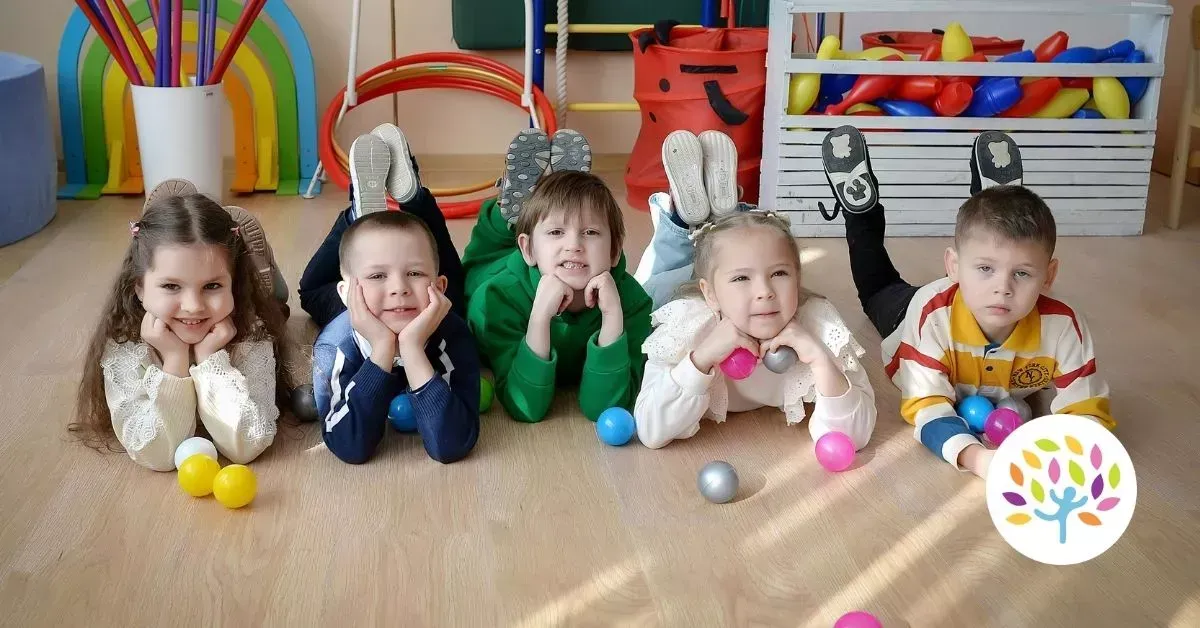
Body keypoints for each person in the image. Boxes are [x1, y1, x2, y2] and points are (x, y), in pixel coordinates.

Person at [819, 125, 1113, 478]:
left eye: (1022, 274)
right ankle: (860, 212)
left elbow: (1086, 410)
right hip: (915, 314)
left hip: (961, 300)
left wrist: (1075, 458)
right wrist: (977, 458)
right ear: (953, 266)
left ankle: (995, 205)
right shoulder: (929, 318)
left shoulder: (1064, 328)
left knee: (991, 242)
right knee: (877, 285)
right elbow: (927, 407)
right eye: (987, 268)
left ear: (1048, 276)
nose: (1002, 289)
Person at [633, 129, 877, 450]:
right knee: (654, 289)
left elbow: (854, 435)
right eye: (741, 279)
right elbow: (651, 430)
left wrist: (819, 358)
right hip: (690, 298)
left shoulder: (819, 325)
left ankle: (726, 216)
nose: (764, 291)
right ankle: (679, 221)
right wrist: (701, 358)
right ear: (711, 295)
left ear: (798, 277)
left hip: (723, 286)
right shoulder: (689, 325)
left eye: (778, 273)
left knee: (733, 250)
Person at [72, 185, 291, 471]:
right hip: (207, 298)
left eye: (212, 285)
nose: (193, 305)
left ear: (234, 286)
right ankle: (212, 248)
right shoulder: (126, 344)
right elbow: (156, 455)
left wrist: (213, 362)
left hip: (250, 300)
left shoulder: (251, 333)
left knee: (278, 306)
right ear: (138, 288)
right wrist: (175, 363)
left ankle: (262, 270)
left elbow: (247, 446)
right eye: (171, 286)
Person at [462, 128, 653, 423]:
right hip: (499, 272)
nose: (574, 245)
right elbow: (525, 407)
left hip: (539, 255)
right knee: (472, 269)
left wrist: (613, 317)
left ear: (614, 251)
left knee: (548, 221)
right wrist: (539, 317)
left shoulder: (634, 303)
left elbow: (605, 408)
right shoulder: (498, 299)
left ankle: (551, 201)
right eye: (557, 232)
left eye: (590, 232)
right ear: (528, 251)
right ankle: (507, 212)